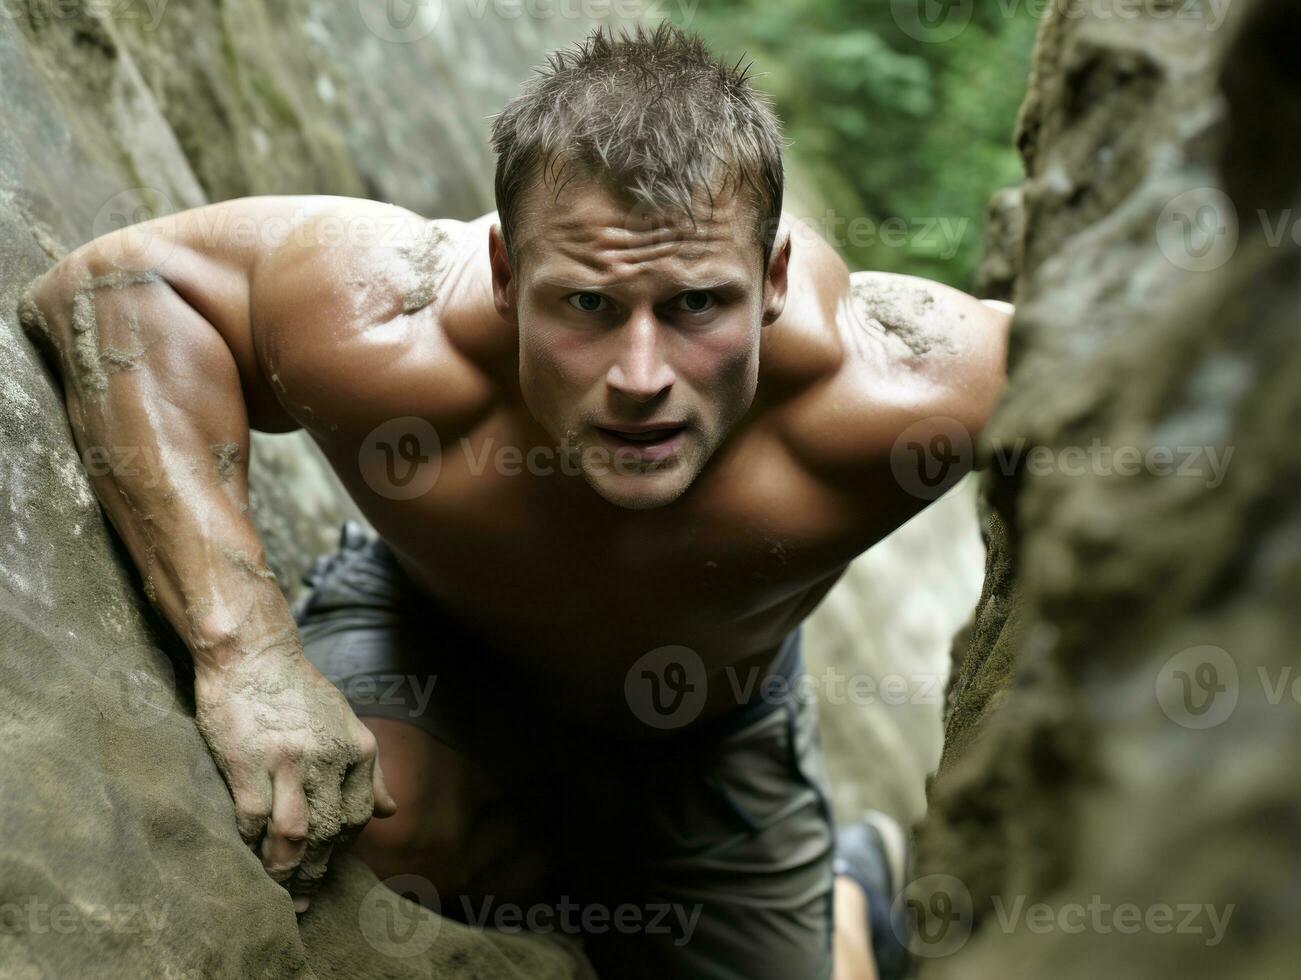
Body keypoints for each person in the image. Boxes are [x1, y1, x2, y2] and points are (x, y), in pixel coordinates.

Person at [23, 22, 1010, 980]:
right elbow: (118, 285)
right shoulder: (391, 324)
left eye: (693, 305)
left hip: (710, 737)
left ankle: (849, 892)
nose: (638, 374)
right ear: (504, 272)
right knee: (357, 824)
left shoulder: (893, 394)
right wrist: (247, 652)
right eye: (585, 303)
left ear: (772, 279)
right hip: (434, 649)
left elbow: (1133, 392)